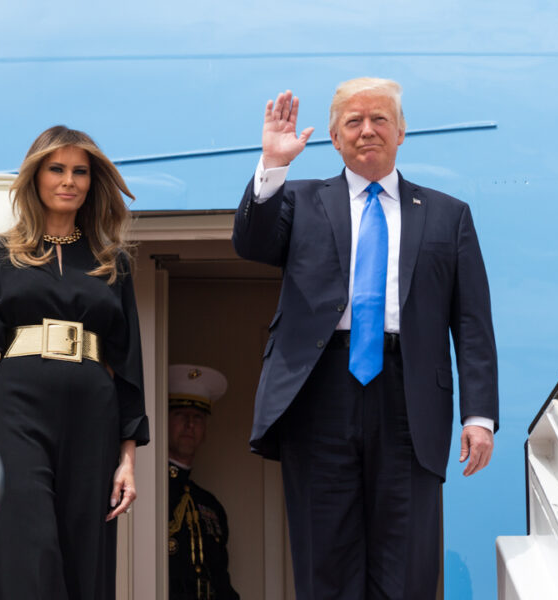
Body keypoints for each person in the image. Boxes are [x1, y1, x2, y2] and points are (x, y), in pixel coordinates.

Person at [232, 78, 499, 599]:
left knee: (408, 563)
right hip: (320, 391)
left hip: (410, 396)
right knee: (325, 558)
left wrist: (479, 416)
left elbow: (472, 324)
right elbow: (252, 242)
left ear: (401, 131)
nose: (367, 130)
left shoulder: (448, 214)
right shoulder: (302, 199)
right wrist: (274, 165)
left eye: (379, 119)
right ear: (334, 137)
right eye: (353, 122)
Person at [0, 125, 149, 599]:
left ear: (92, 183)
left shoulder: (113, 262)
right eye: (57, 169)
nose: (69, 180)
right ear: (36, 176)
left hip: (93, 411)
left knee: (85, 551)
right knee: (29, 546)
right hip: (17, 407)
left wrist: (127, 459)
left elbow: (129, 364)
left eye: (80, 171)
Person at [167, 364, 239, 600]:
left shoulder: (210, 505)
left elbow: (220, 580)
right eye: (180, 415)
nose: (190, 425)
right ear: (163, 421)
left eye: (197, 417)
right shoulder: (150, 493)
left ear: (205, 430)